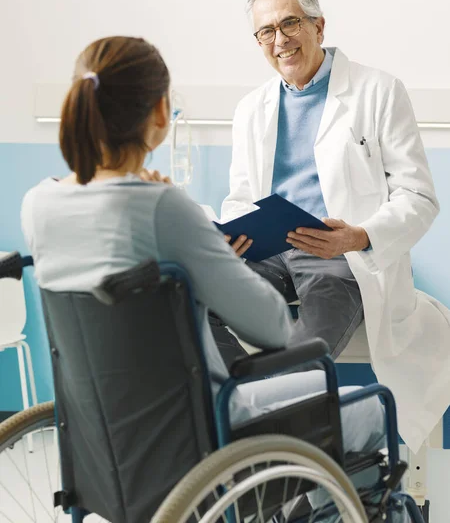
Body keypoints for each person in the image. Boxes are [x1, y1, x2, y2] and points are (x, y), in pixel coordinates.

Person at [21, 36, 405, 520]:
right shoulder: (166, 209)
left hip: (105, 437)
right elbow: (269, 327)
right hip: (206, 431)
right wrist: (204, 251)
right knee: (372, 407)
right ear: (161, 114)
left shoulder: (38, 205)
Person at [221, 0, 450, 452]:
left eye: (291, 23)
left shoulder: (379, 91)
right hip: (267, 252)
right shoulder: (251, 109)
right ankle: (234, 411)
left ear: (319, 26)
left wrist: (360, 236)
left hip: (337, 258)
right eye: (267, 31)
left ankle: (281, 458)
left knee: (302, 355)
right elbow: (240, 198)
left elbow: (419, 197)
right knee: (190, 300)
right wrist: (233, 235)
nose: (280, 40)